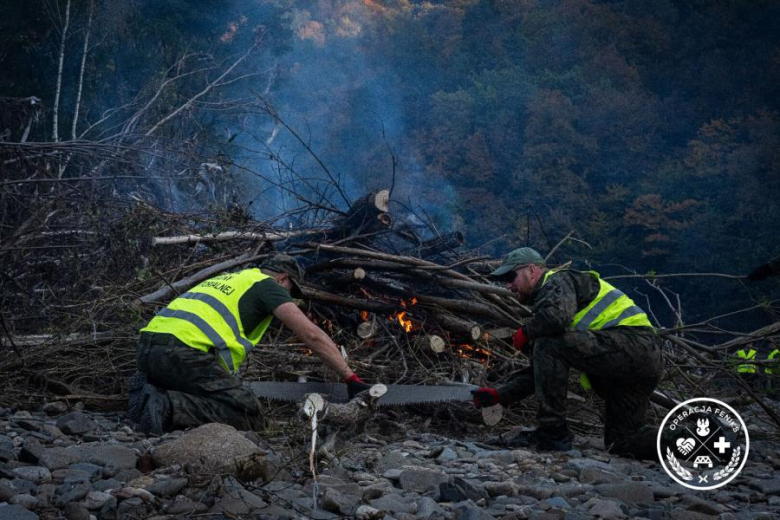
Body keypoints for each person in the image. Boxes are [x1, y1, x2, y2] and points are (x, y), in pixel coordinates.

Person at [128, 254, 371, 434]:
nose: (290, 296)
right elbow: (312, 335)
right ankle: (167, 405)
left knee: (216, 394)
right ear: (282, 278)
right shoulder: (268, 285)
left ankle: (152, 390)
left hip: (149, 348)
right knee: (250, 415)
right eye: (290, 290)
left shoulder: (229, 279)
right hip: (183, 354)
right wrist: (351, 379)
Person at [471, 247, 663, 459]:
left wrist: (526, 331)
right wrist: (500, 394)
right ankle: (697, 440)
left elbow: (555, 321)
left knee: (546, 343)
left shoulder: (557, 281)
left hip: (633, 345)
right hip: (639, 362)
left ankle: (552, 433)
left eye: (511, 276)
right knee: (623, 441)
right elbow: (542, 370)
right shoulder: (552, 306)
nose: (508, 285)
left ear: (532, 270)